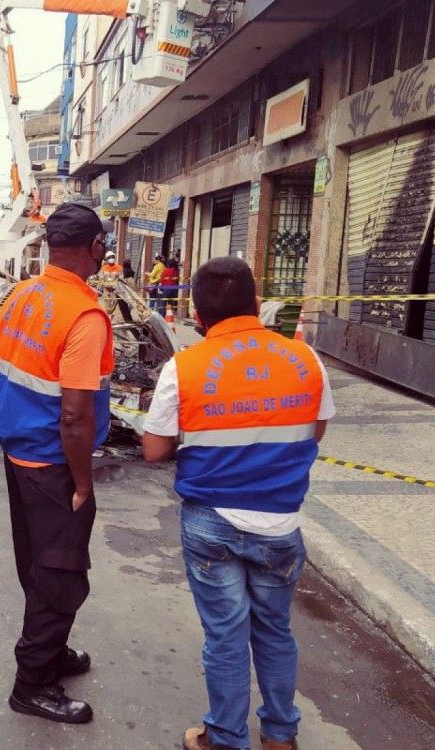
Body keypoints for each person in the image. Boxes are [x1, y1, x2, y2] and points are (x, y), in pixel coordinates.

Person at [141, 256, 335, 750]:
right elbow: (315, 431)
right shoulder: (306, 359)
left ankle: (225, 737)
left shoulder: (183, 368)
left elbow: (155, 449)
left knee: (225, 636)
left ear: (198, 316)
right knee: (274, 629)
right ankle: (279, 736)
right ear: (256, 303)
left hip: (212, 522)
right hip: (281, 524)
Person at [0, 202, 115, 725]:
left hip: (19, 454)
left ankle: (52, 650)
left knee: (38, 566)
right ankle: (32, 684)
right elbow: (74, 416)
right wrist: (82, 484)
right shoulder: (84, 315)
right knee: (60, 577)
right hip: (51, 464)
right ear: (96, 249)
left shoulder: (22, 294)